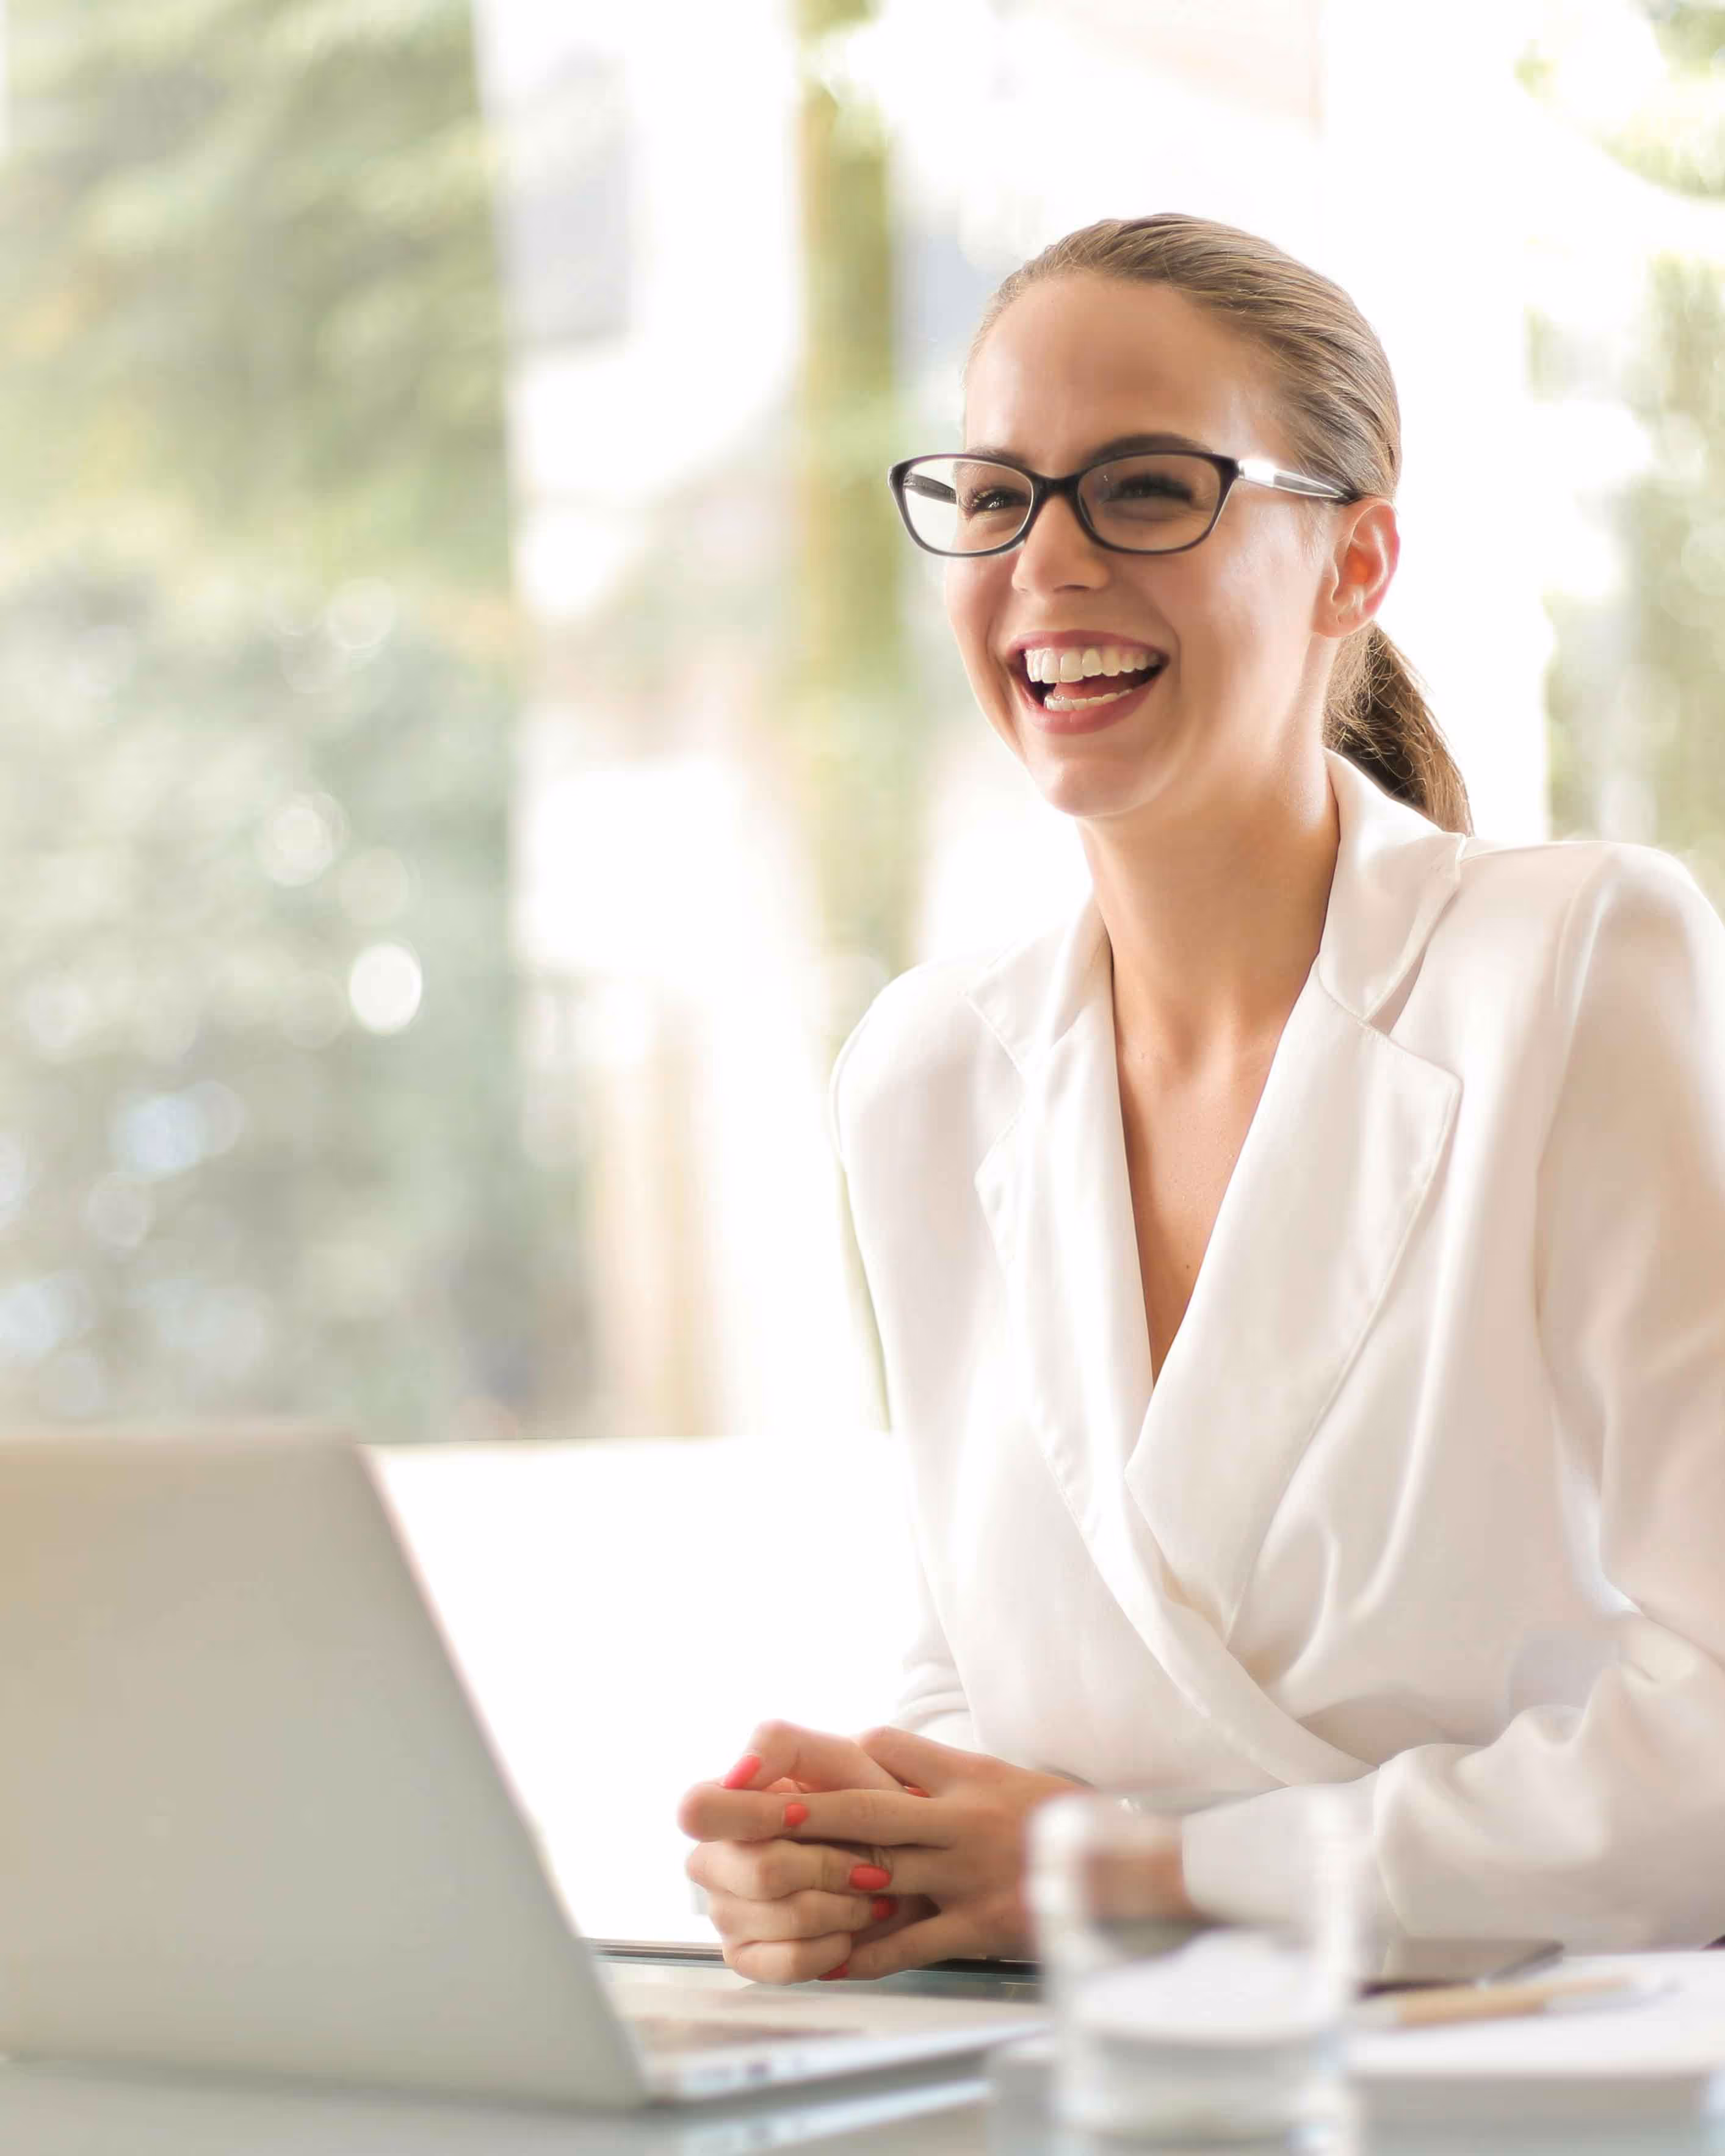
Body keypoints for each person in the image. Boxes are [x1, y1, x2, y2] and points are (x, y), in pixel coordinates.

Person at [676, 211, 1725, 1984]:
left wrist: (1140, 1870)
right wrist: (856, 1854)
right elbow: (982, 1677)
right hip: (1079, 2077)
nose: (1047, 562)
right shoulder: (927, 1076)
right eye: (996, 495)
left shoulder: (1570, 966)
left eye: (1147, 489)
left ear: (1354, 561)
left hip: (1516, 2079)